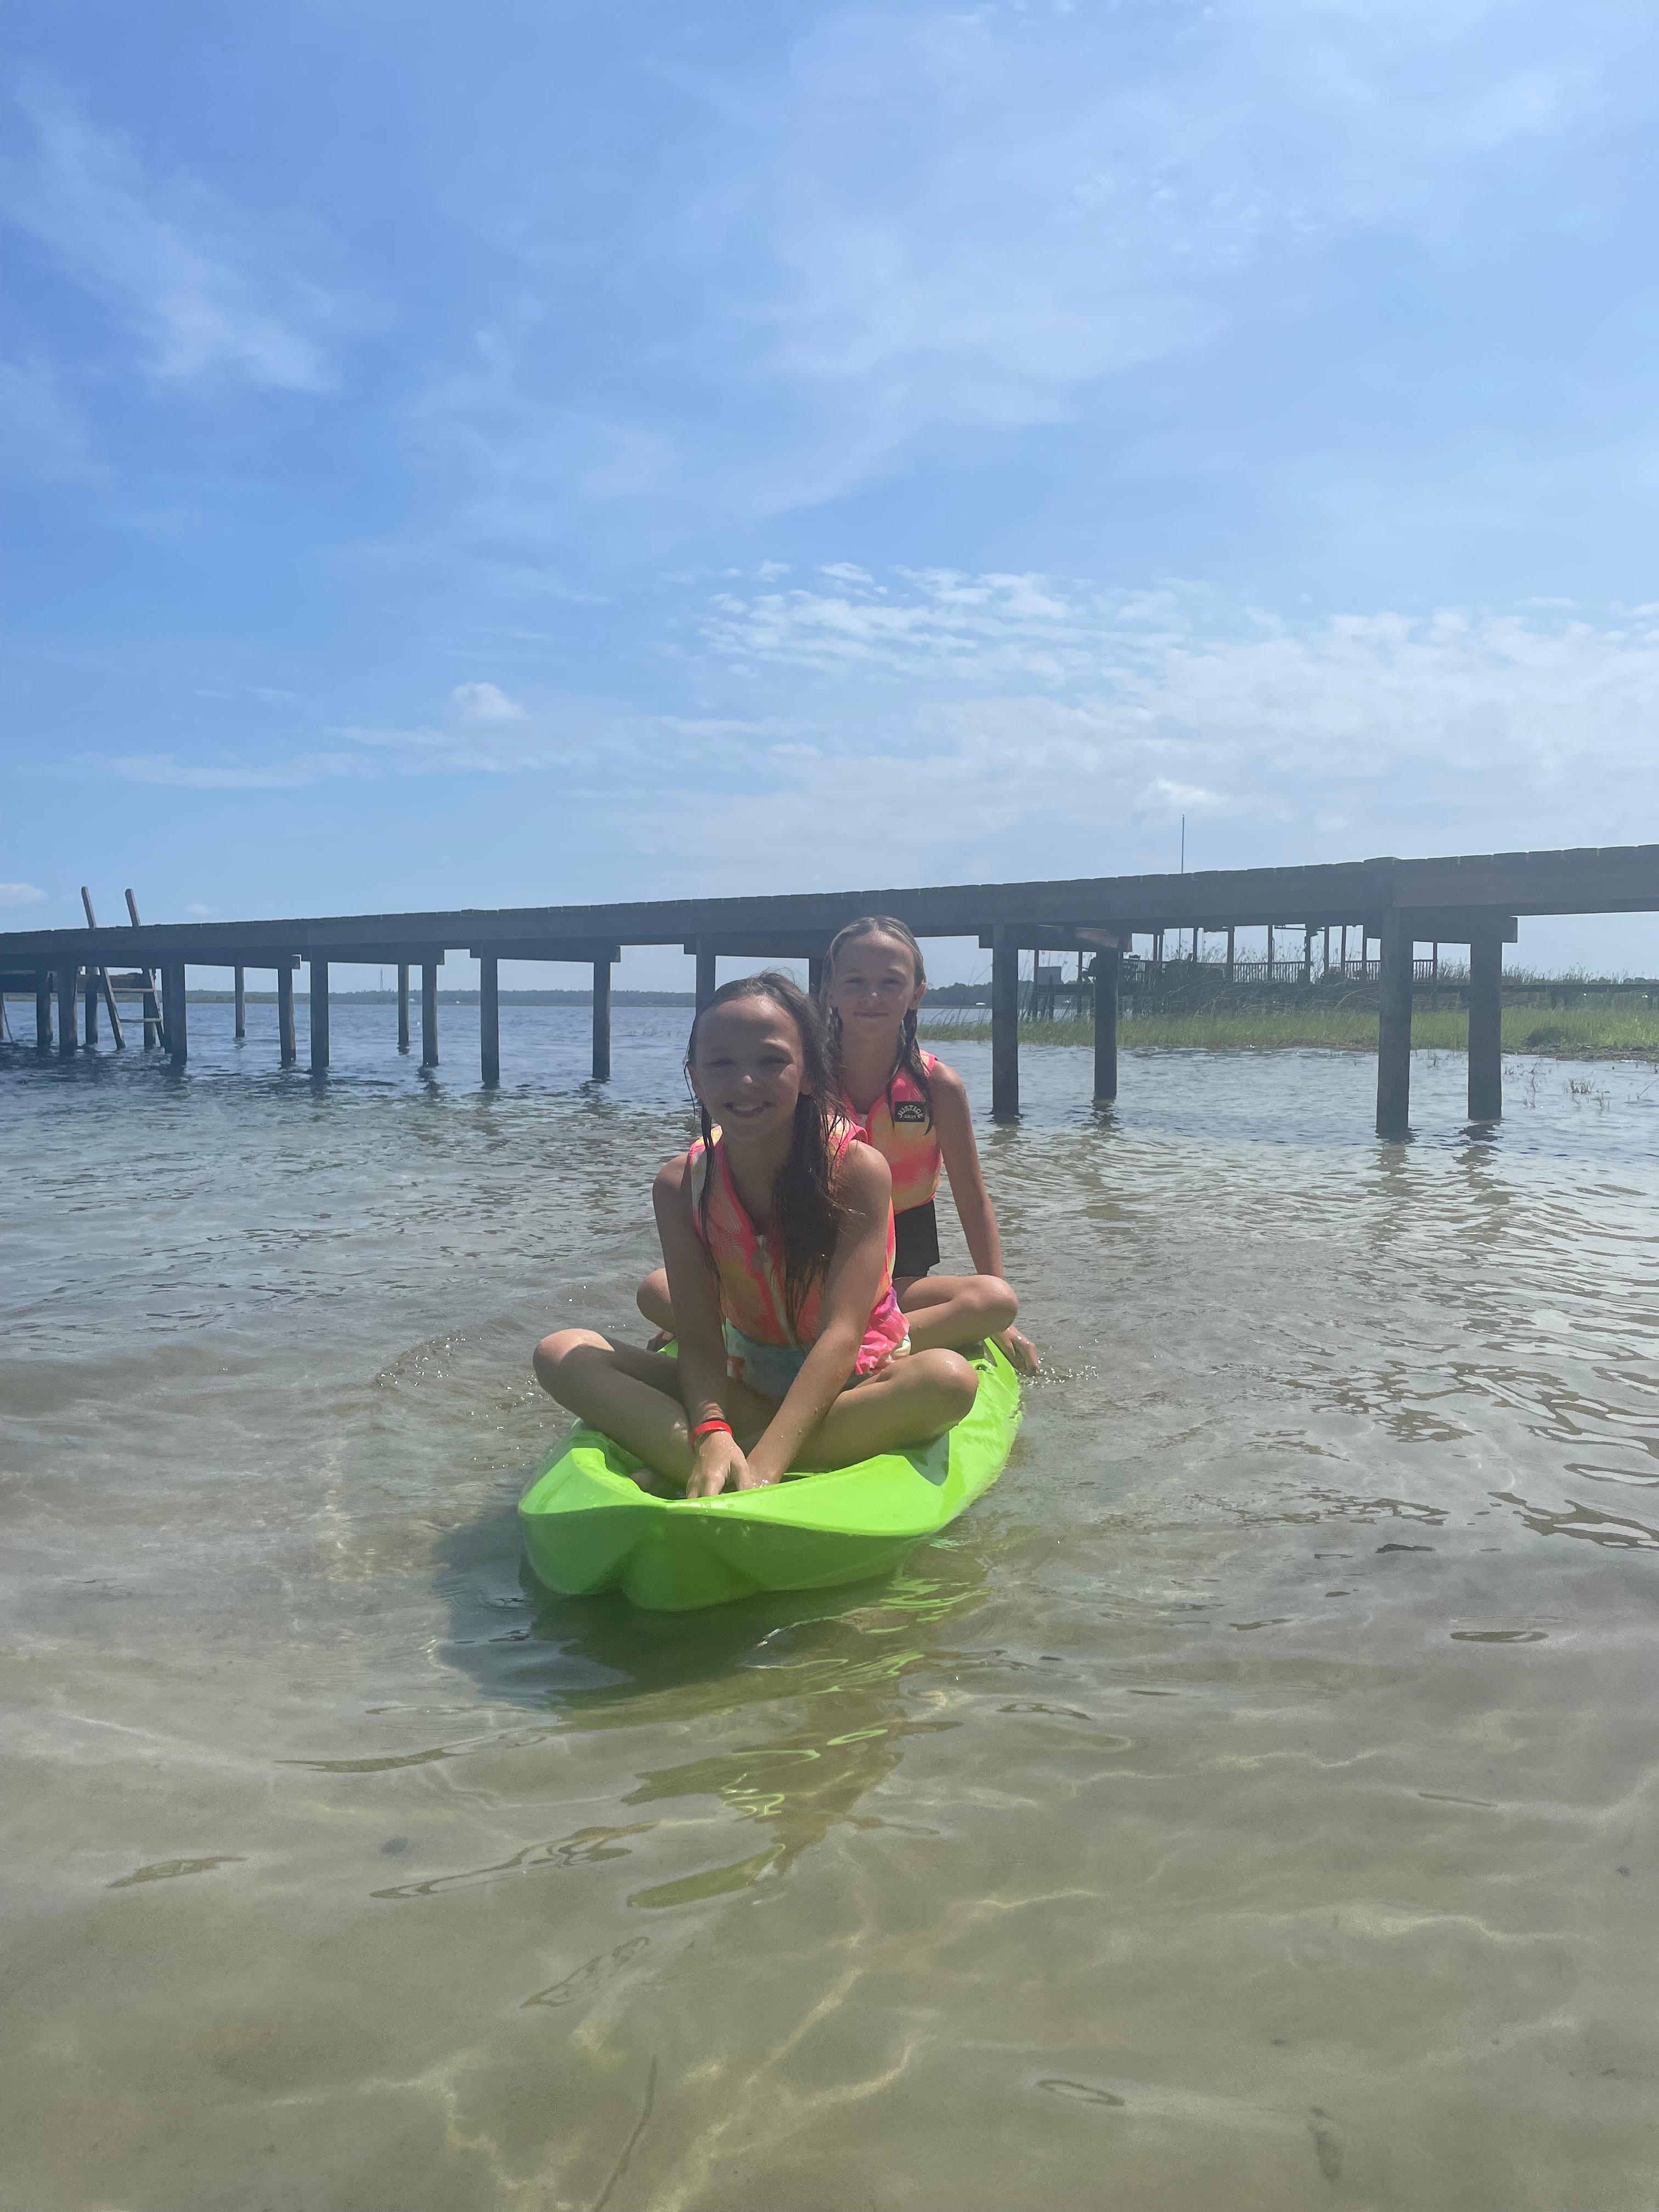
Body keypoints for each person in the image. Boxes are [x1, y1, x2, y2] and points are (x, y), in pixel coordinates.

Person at [534, 973, 979, 1498]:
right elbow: (699, 1341)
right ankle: (726, 1456)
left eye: (771, 1062)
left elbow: (841, 1337)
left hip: (851, 1386)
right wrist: (711, 1430)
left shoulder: (858, 1171)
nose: (745, 1083)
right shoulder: (680, 1184)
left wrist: (765, 1469)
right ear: (695, 1078)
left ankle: (717, 1468)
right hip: (748, 1379)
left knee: (949, 1380)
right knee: (561, 1351)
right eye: (721, 1064)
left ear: (811, 1074)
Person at [816, 915, 1040, 1372]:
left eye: (890, 982)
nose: (872, 996)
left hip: (898, 1281)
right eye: (855, 981)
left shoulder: (938, 1086)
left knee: (996, 1301)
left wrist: (1000, 1323)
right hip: (807, 1271)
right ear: (830, 991)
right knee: (658, 1291)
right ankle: (851, 1341)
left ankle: (849, 1341)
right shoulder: (802, 1080)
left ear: (916, 992)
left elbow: (973, 1201)